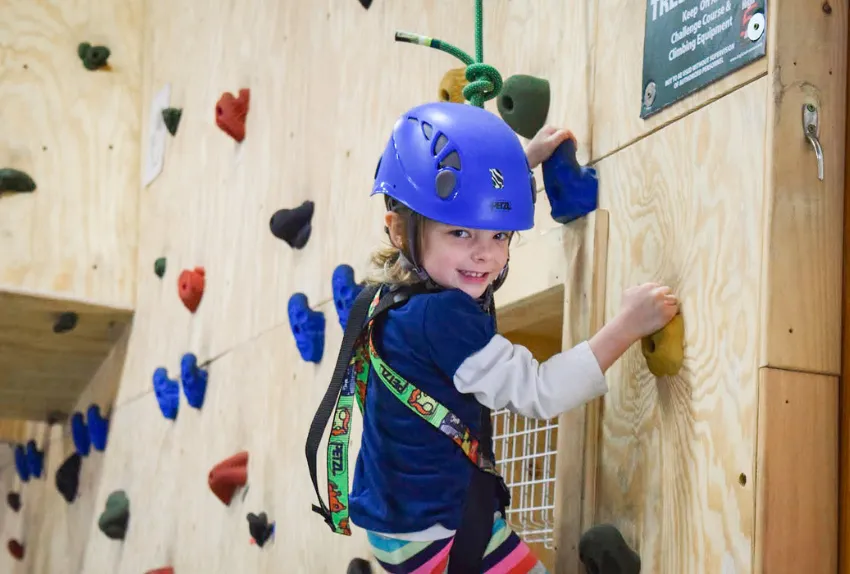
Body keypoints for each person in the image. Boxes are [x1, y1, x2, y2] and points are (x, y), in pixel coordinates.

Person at [342, 102, 679, 573]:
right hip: (438, 534)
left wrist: (518, 167)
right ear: (400, 229)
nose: (484, 254)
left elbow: (460, 199)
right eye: (461, 232)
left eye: (500, 235)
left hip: (393, 526)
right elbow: (539, 391)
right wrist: (627, 324)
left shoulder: (390, 297)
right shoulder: (444, 317)